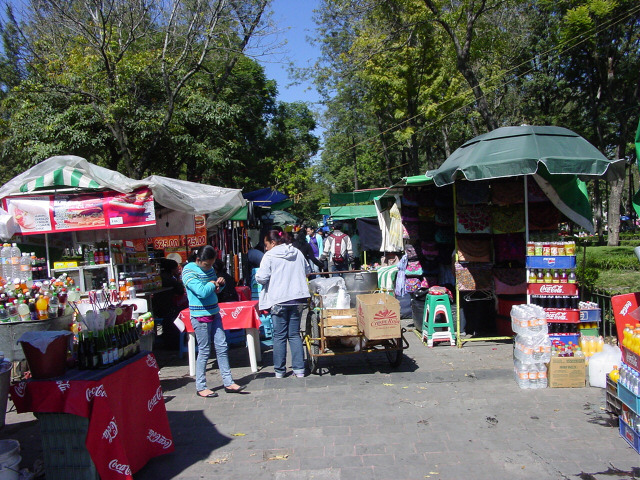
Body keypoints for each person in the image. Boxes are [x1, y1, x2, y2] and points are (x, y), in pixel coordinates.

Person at [182, 245, 247, 397]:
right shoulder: (188, 271)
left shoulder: (209, 269)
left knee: (222, 347)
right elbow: (202, 292)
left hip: (214, 311)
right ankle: (201, 386)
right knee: (204, 350)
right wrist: (212, 284)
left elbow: (215, 291)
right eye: (207, 264)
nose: (210, 267)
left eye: (212, 264)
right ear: (198, 260)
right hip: (200, 315)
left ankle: (228, 382)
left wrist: (220, 284)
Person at [255, 230, 310, 378]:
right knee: (294, 334)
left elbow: (261, 278)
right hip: (297, 298)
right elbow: (307, 270)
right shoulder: (297, 252)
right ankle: (299, 370)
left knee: (279, 336)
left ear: (273, 243)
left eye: (266, 244)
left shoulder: (269, 256)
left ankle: (279, 371)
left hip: (278, 299)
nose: (265, 248)